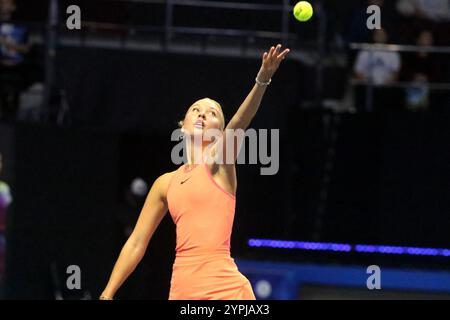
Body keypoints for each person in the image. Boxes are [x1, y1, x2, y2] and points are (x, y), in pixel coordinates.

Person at [100, 44, 290, 300]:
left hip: (226, 290)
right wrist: (107, 293)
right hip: (182, 291)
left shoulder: (220, 164)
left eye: (212, 113)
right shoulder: (165, 183)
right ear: (183, 125)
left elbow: (239, 123)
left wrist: (262, 79)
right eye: (196, 109)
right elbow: (137, 242)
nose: (202, 114)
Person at [0, 0, 31, 121]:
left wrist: (7, 43)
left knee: (13, 101)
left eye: (6, 3)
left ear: (13, 7)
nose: (2, 5)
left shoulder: (20, 26)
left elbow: (26, 48)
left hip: (16, 68)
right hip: (1, 67)